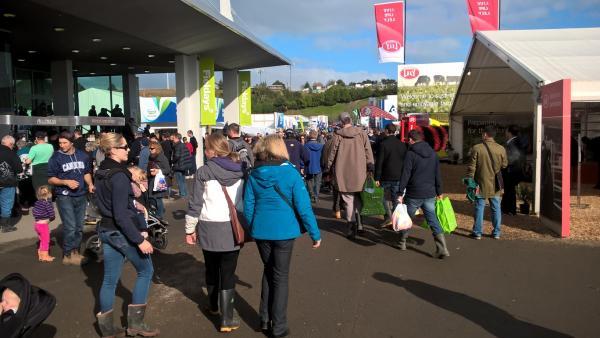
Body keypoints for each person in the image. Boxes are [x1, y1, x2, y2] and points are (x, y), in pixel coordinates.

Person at [244, 135, 321, 338]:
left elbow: (248, 205)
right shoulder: (291, 173)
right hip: (284, 231)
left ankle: (264, 319)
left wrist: (253, 228)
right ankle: (278, 326)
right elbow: (304, 207)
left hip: (261, 230)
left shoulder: (254, 174)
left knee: (269, 271)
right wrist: (315, 233)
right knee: (280, 276)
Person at [94, 132, 159, 337]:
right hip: (119, 230)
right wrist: (139, 240)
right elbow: (121, 215)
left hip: (106, 229)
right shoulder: (119, 176)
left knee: (109, 279)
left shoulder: (101, 171)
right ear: (112, 150)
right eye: (124, 147)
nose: (128, 149)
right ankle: (135, 325)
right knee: (146, 270)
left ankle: (106, 329)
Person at [185, 133, 245, 333]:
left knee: (211, 268)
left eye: (205, 147)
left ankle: (212, 306)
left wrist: (189, 229)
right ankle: (227, 319)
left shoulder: (203, 172)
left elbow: (195, 204)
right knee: (228, 272)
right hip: (232, 226)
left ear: (211, 150)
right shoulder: (241, 170)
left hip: (208, 227)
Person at [395, 130, 449, 258]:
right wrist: (439, 191)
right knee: (432, 219)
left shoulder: (410, 154)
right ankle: (442, 248)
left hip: (414, 193)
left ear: (411, 140)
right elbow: (437, 174)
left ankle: (402, 242)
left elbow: (405, 174)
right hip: (430, 192)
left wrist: (400, 192)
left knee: (407, 218)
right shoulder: (433, 154)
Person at [47, 131, 94, 266]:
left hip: (81, 194)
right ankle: (67, 255)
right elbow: (51, 178)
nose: (62, 145)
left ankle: (75, 252)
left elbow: (86, 173)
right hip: (64, 195)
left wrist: (90, 184)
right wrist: (65, 182)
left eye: (64, 143)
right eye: (60, 143)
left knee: (79, 226)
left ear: (72, 142)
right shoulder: (56, 157)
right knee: (71, 226)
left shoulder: (83, 155)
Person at [326, 112, 374, 239]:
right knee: (359, 199)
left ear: (342, 122)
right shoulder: (362, 133)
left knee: (348, 201)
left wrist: (328, 167)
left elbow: (332, 154)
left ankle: (351, 228)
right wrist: (370, 164)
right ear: (351, 120)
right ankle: (360, 225)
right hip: (360, 172)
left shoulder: (338, 135)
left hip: (343, 172)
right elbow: (368, 150)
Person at [466, 125, 508, 240]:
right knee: (496, 207)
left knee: (479, 207)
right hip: (496, 184)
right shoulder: (501, 149)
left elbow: (472, 167)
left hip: (480, 182)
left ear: (485, 134)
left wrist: (470, 181)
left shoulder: (477, 148)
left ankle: (477, 232)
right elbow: (504, 165)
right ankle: (496, 232)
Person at [375, 124, 407, 227]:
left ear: (386, 131)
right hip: (398, 175)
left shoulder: (383, 144)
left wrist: (377, 177)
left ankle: (388, 217)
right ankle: (396, 219)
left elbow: (379, 162)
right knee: (395, 199)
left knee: (382, 197)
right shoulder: (402, 144)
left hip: (386, 175)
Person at [0, 135, 22, 233]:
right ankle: (5, 226)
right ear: (11, 144)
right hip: (7, 182)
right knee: (6, 203)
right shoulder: (12, 154)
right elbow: (19, 169)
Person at [501, 125, 524, 215]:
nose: (505, 133)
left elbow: (515, 156)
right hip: (513, 170)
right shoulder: (516, 141)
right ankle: (509, 209)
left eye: (506, 131)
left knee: (509, 190)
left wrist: (504, 163)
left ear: (510, 132)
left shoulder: (513, 142)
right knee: (509, 190)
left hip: (511, 171)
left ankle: (508, 209)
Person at [147, 141, 170, 220]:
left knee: (158, 198)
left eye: (152, 148)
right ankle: (160, 210)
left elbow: (168, 169)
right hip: (152, 180)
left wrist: (158, 171)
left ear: (157, 149)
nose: (150, 150)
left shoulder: (162, 157)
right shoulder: (151, 157)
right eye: (149, 148)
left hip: (160, 180)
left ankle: (159, 215)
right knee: (151, 198)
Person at [32, 185, 56, 262]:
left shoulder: (37, 202)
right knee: (46, 241)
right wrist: (50, 219)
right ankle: (45, 256)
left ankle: (41, 255)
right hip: (43, 225)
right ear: (49, 194)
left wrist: (39, 217)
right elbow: (52, 214)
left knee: (42, 240)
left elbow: (34, 211)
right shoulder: (47, 203)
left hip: (37, 224)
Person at [302, 130, 324, 203]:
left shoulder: (305, 145)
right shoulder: (321, 146)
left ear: (309, 136)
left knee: (309, 180)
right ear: (316, 136)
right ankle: (316, 196)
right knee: (318, 182)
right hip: (318, 165)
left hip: (308, 165)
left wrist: (302, 166)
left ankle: (311, 193)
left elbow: (303, 157)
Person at [171, 133, 192, 198]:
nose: (173, 139)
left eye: (174, 138)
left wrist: (172, 161)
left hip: (179, 165)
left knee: (179, 180)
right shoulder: (183, 144)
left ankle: (182, 194)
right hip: (183, 165)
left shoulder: (177, 146)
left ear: (177, 138)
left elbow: (177, 156)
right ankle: (185, 193)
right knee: (183, 180)